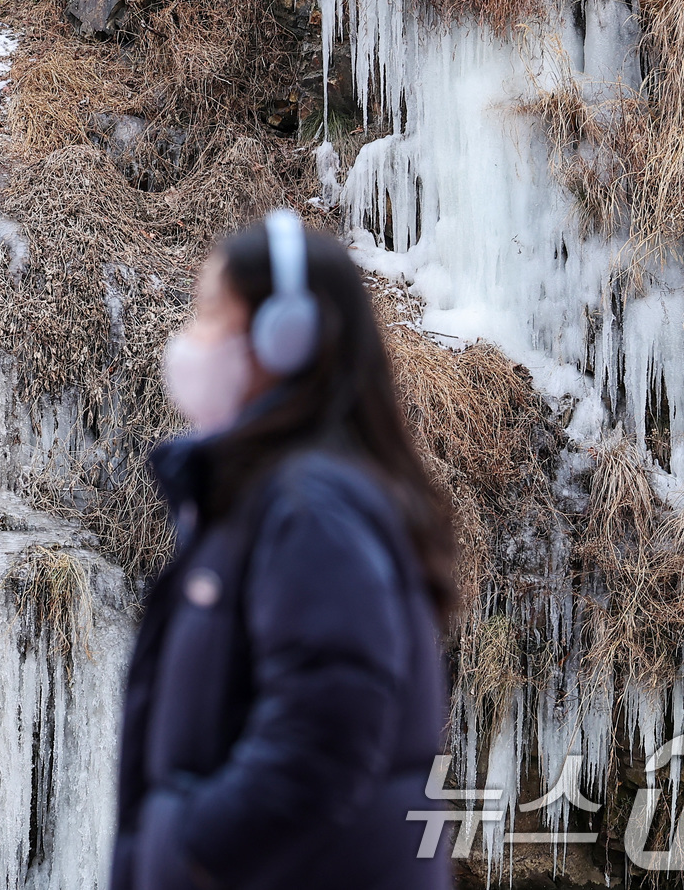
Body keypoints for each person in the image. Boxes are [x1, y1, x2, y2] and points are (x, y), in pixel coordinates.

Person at [111, 210, 457, 890]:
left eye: (210, 314)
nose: (190, 340)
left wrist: (189, 850)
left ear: (286, 336)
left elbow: (325, 733)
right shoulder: (270, 497)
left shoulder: (309, 510)